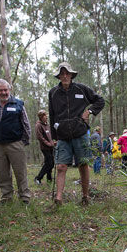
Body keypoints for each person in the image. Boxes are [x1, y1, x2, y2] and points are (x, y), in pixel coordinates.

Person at [48, 62, 105, 206]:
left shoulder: (81, 89)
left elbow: (100, 100)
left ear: (72, 75)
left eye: (67, 73)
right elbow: (52, 114)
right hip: (62, 135)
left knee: (83, 164)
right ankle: (58, 199)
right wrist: (54, 137)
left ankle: (85, 197)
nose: (65, 76)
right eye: (62, 73)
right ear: (59, 76)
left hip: (80, 132)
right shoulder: (53, 93)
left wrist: (89, 111)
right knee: (61, 166)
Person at [0, 79, 31, 204]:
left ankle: (24, 197)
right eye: (0, 90)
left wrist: (23, 141)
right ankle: (6, 197)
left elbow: (26, 123)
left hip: (15, 143)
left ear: (10, 90)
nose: (3, 92)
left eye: (5, 90)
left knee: (20, 172)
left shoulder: (18, 103)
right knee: (2, 174)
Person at [35, 110, 54, 185]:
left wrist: (53, 142)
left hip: (51, 147)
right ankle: (38, 178)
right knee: (48, 163)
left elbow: (50, 135)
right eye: (44, 115)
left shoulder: (47, 125)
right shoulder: (38, 125)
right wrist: (48, 144)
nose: (46, 117)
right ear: (41, 117)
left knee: (51, 163)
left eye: (46, 115)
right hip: (45, 148)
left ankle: (49, 179)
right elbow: (40, 137)